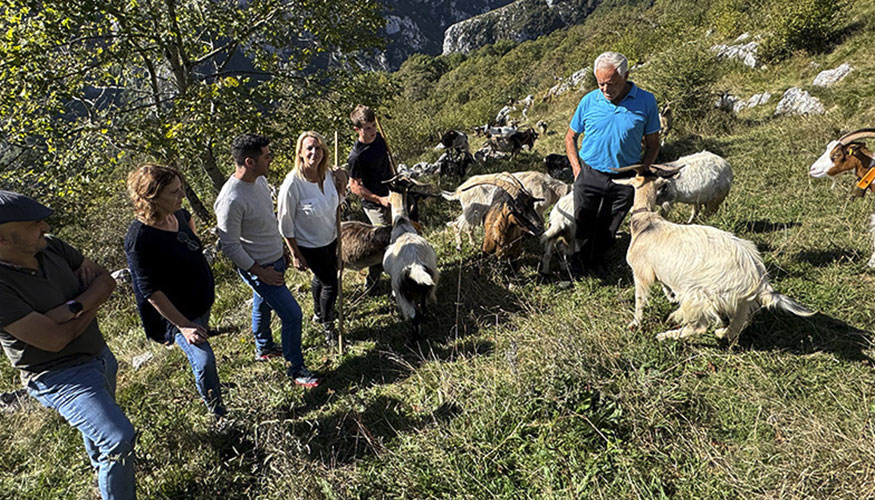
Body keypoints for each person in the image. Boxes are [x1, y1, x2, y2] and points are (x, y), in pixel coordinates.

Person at [0, 190, 136, 499]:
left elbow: (106, 280)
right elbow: (55, 340)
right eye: (35, 223)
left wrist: (73, 308)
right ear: (3, 240)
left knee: (102, 435)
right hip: (59, 377)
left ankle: (102, 474)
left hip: (100, 355)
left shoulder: (52, 248)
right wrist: (91, 300)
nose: (45, 228)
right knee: (118, 438)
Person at [214, 133, 321, 388]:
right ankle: (297, 370)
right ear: (250, 162)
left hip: (273, 260)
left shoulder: (259, 180)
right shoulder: (230, 200)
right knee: (293, 315)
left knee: (261, 304)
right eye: (266, 155)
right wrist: (259, 272)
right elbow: (230, 245)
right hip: (260, 268)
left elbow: (265, 220)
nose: (271, 158)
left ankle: (263, 347)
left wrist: (283, 249)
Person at [123, 164, 227, 419]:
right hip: (177, 316)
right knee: (204, 361)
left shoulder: (179, 215)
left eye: (181, 189)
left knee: (205, 355)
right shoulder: (140, 238)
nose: (181, 196)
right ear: (151, 197)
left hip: (200, 303)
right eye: (174, 192)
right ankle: (218, 414)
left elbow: (189, 239)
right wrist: (183, 325)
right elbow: (150, 291)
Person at [564, 51, 660, 276]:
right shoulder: (589, 100)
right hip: (589, 173)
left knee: (610, 225)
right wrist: (577, 169)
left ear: (626, 76)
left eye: (611, 83)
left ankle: (597, 261)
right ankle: (576, 267)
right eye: (600, 84)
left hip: (625, 177)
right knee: (582, 221)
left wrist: (643, 173)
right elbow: (570, 137)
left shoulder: (646, 101)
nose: (606, 90)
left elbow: (654, 144)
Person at [277, 132, 347, 344]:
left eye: (318, 148)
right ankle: (328, 324)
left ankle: (318, 312)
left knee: (322, 276)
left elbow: (337, 200)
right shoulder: (292, 184)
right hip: (309, 245)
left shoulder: (327, 175)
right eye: (309, 148)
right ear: (300, 152)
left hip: (330, 237)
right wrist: (295, 254)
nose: (314, 152)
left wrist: (341, 181)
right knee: (330, 284)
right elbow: (285, 223)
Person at [347, 104, 394, 290]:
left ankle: (396, 271)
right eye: (367, 128)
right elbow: (355, 187)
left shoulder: (380, 139)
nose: (372, 130)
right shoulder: (356, 156)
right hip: (374, 203)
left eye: (373, 125)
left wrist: (394, 180)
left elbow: (386, 162)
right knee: (382, 242)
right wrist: (380, 200)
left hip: (391, 195)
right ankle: (373, 284)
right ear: (357, 129)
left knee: (397, 233)